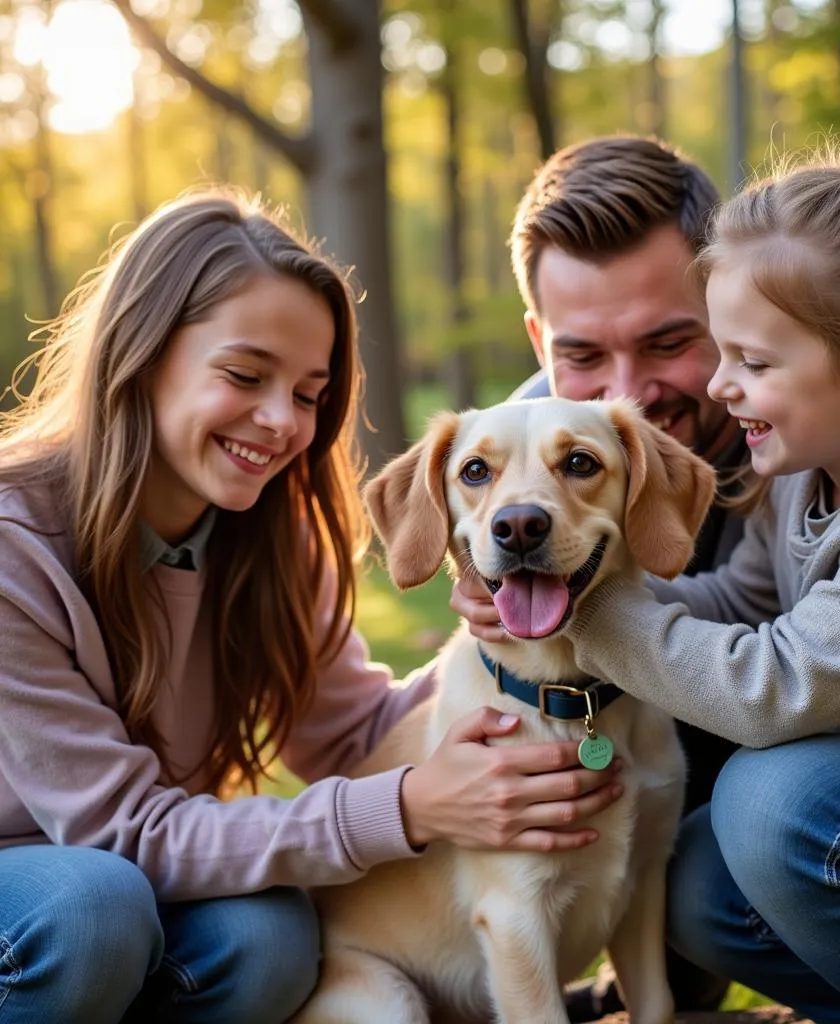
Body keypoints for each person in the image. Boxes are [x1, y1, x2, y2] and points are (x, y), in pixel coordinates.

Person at [0, 190, 624, 1024]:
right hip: (57, 879)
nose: (280, 421)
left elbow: (354, 736)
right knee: (91, 908)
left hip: (116, 877)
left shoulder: (268, 534)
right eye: (244, 375)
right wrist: (407, 807)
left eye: (308, 393)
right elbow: (123, 832)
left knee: (270, 939)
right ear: (141, 356)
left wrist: (496, 671)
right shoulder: (15, 549)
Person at [491, 128, 840, 1023]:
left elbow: (771, 688)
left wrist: (584, 613)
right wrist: (551, 579)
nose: (724, 388)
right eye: (725, 353)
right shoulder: (809, 466)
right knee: (703, 876)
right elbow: (738, 602)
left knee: (777, 804)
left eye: (751, 361)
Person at [457, 133, 747, 1017]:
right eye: (583, 355)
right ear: (540, 338)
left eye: (668, 342)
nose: (631, 390)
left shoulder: (807, 437)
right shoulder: (508, 472)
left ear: (728, 308)